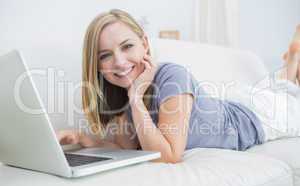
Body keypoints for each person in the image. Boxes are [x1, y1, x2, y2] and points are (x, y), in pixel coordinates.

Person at [57, 9, 300, 163]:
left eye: (127, 46)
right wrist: (84, 139)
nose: (119, 62)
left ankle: (292, 64)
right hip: (232, 103)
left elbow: (168, 155)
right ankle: (291, 63)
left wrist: (135, 99)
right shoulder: (124, 94)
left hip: (256, 117)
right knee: (277, 90)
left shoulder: (172, 76)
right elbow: (126, 147)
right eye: (105, 55)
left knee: (289, 98)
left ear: (145, 44)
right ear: (97, 66)